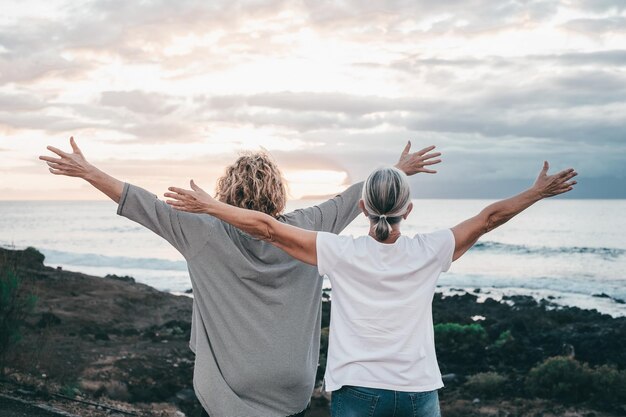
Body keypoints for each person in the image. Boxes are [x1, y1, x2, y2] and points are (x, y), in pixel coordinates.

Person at [39, 137, 442, 417]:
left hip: (229, 392)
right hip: (293, 387)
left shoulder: (200, 229)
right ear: (278, 191)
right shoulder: (309, 227)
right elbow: (352, 200)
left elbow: (140, 202)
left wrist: (88, 171)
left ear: (225, 191)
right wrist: (396, 170)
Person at [164, 162, 577, 417]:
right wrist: (537, 192)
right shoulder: (430, 251)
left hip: (358, 392)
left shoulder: (338, 252)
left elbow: (269, 229)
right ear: (408, 210)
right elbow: (488, 218)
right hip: (419, 392)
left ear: (363, 208)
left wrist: (211, 206)